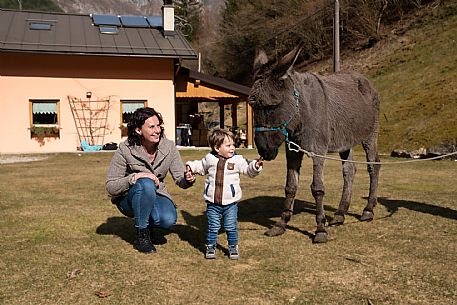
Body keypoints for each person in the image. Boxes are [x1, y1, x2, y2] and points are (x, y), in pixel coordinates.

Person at [106, 107, 195, 254]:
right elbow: (111, 187)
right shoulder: (125, 149)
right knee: (145, 183)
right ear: (138, 130)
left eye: (158, 125)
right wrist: (134, 177)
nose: (157, 130)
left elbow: (180, 179)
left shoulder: (169, 147)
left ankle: (148, 224)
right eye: (152, 127)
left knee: (167, 220)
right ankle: (142, 235)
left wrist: (187, 179)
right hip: (129, 198)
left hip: (157, 193)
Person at [185, 128, 263, 260]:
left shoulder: (238, 160)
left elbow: (248, 170)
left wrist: (255, 166)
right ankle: (210, 246)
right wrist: (190, 167)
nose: (233, 147)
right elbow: (200, 166)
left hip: (230, 203)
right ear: (217, 147)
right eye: (228, 145)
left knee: (230, 226)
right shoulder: (209, 159)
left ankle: (233, 246)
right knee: (213, 226)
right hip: (212, 203)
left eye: (233, 144)